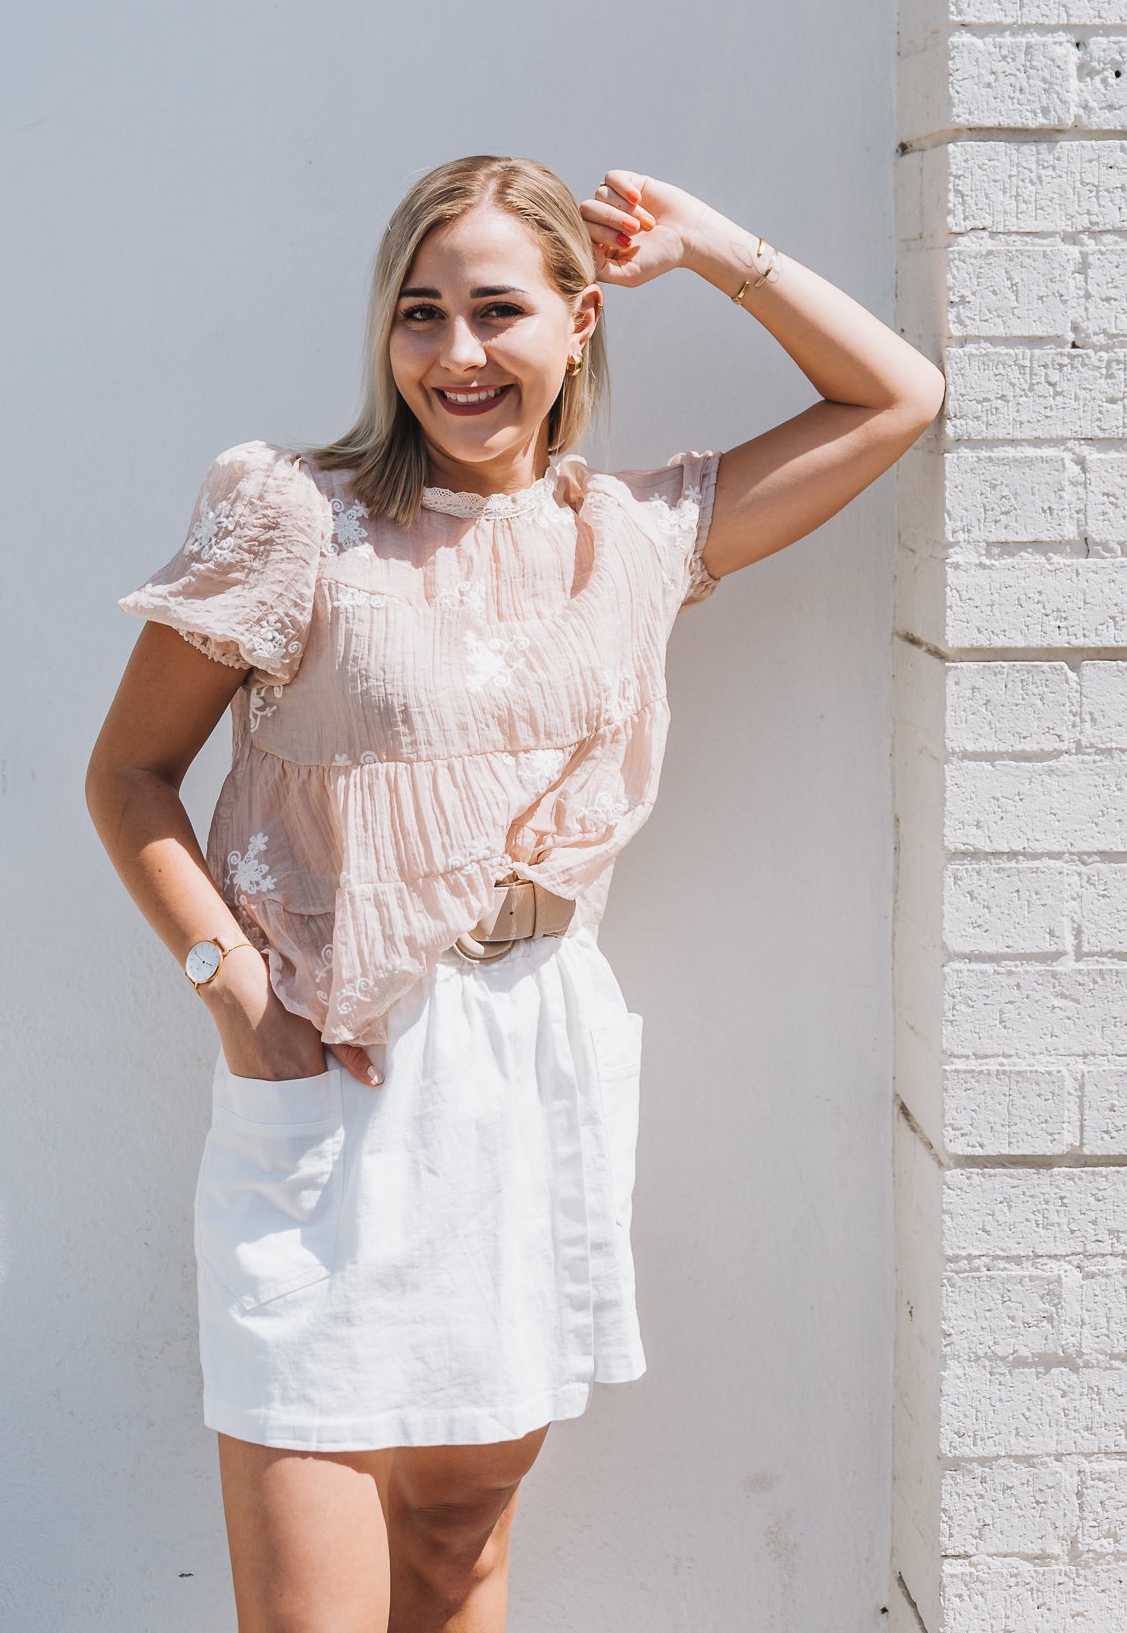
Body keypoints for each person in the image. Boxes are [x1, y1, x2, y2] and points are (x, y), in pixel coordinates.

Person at [85, 154, 944, 1632]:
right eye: (420, 314)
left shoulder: (627, 536)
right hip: (334, 1074)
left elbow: (894, 398)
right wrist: (236, 1000)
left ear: (579, 320)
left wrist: (720, 249)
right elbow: (128, 776)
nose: (456, 354)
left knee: (454, 1553)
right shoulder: (295, 515)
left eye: (496, 310)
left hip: (529, 1060)